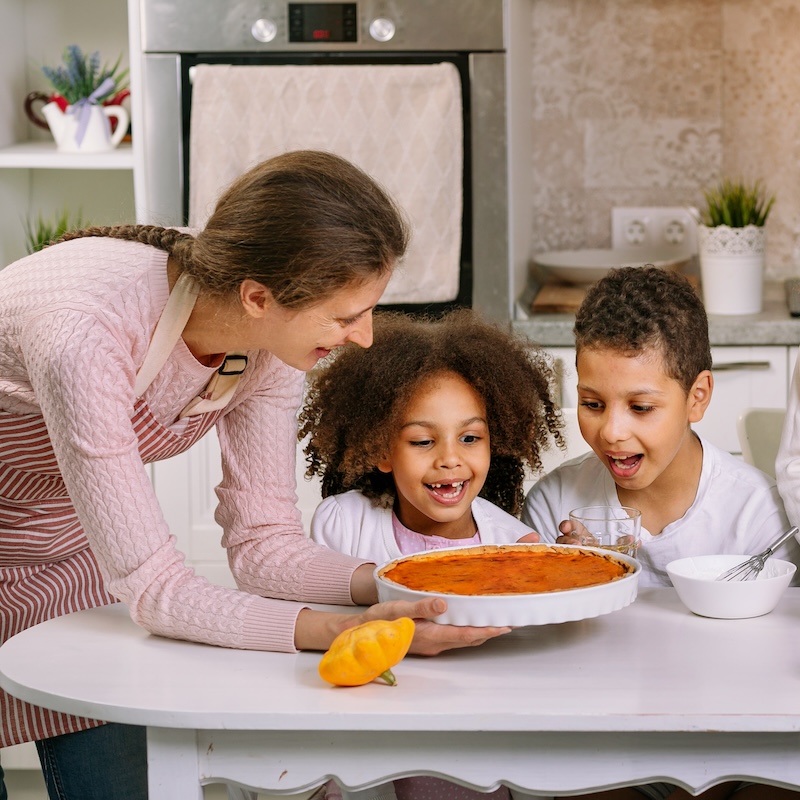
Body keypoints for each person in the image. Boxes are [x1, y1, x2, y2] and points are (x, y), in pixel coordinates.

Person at [0, 151, 511, 800]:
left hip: (62, 546)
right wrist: (340, 629)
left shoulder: (267, 336)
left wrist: (415, 580)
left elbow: (264, 546)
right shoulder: (87, 334)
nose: (366, 338)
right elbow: (155, 590)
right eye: (347, 315)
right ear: (258, 298)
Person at [521, 265, 800, 800]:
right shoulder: (554, 504)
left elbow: (769, 689)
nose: (612, 430)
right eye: (592, 403)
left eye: (641, 407)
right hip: (596, 751)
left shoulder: (756, 514)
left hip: (732, 759)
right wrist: (567, 588)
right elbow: (539, 675)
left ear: (698, 397)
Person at [298, 309, 563, 800]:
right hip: (360, 728)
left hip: (470, 733)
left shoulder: (512, 544)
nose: (450, 458)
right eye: (422, 440)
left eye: (470, 437)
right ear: (381, 450)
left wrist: (562, 571)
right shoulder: (341, 524)